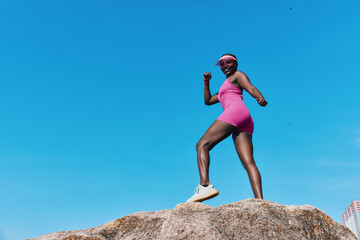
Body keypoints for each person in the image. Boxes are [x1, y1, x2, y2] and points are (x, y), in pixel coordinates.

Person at [186, 53, 267, 203]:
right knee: (247, 162)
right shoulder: (224, 87)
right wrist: (206, 82)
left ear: (235, 64)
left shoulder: (237, 75)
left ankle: (204, 186)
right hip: (245, 120)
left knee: (201, 145)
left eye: (229, 62)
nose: (225, 66)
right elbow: (208, 101)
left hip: (236, 112)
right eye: (222, 64)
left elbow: (250, 87)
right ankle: (260, 202)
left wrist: (259, 97)